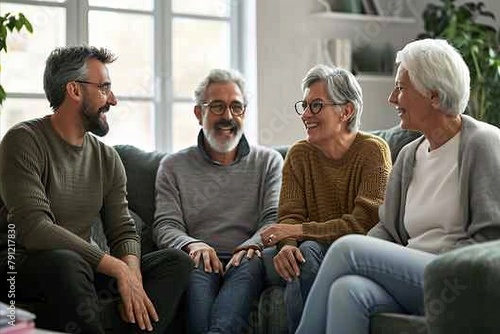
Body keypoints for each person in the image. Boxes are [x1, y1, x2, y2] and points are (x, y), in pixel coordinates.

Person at [295, 38, 500, 334]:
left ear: (434, 94)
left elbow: (490, 237)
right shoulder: (408, 155)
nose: (392, 98)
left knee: (348, 249)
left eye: (401, 88)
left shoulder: (483, 143)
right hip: (413, 274)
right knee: (348, 290)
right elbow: (387, 230)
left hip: (453, 278)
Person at [0, 46, 193, 334]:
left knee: (175, 262)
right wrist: (117, 269)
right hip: (22, 266)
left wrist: (133, 277)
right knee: (67, 263)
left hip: (79, 273)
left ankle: (100, 323)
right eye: (104, 88)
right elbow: (35, 229)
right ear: (74, 91)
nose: (113, 100)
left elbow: (123, 230)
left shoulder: (107, 158)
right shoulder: (23, 141)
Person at [260, 64, 392, 332]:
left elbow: (363, 223)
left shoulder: (373, 152)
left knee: (307, 250)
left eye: (316, 106)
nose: (306, 115)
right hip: (312, 250)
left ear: (346, 111)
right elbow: (290, 214)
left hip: (357, 251)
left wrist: (296, 231)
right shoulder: (299, 155)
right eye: (305, 106)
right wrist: (287, 245)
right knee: (303, 252)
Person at [152, 68, 283, 334]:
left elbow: (273, 218)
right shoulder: (173, 166)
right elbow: (165, 225)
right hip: (199, 259)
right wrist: (192, 244)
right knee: (200, 316)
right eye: (217, 107)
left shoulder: (269, 162)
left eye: (236, 107)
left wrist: (253, 244)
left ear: (245, 113)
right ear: (199, 113)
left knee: (247, 268)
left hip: (248, 257)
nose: (228, 117)